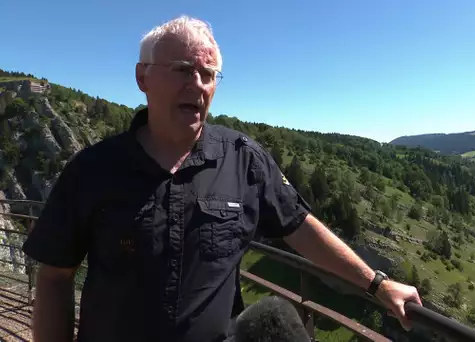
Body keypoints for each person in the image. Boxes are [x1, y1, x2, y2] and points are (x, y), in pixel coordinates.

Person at [22, 15, 422, 342]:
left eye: (207, 73)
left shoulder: (243, 158)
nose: (196, 84)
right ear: (143, 78)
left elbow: (301, 229)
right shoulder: (92, 169)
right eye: (182, 70)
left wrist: (378, 285)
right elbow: (56, 276)